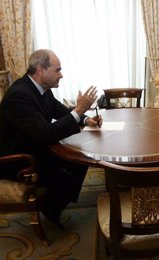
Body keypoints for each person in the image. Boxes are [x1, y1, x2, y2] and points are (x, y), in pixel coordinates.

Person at [0, 49, 103, 229]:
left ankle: (53, 204)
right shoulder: (20, 94)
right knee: (70, 167)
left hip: (33, 145)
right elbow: (47, 133)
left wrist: (87, 119)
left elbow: (58, 109)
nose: (61, 75)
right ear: (40, 70)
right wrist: (78, 110)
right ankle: (50, 205)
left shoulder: (41, 89)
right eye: (57, 70)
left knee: (81, 158)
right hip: (18, 159)